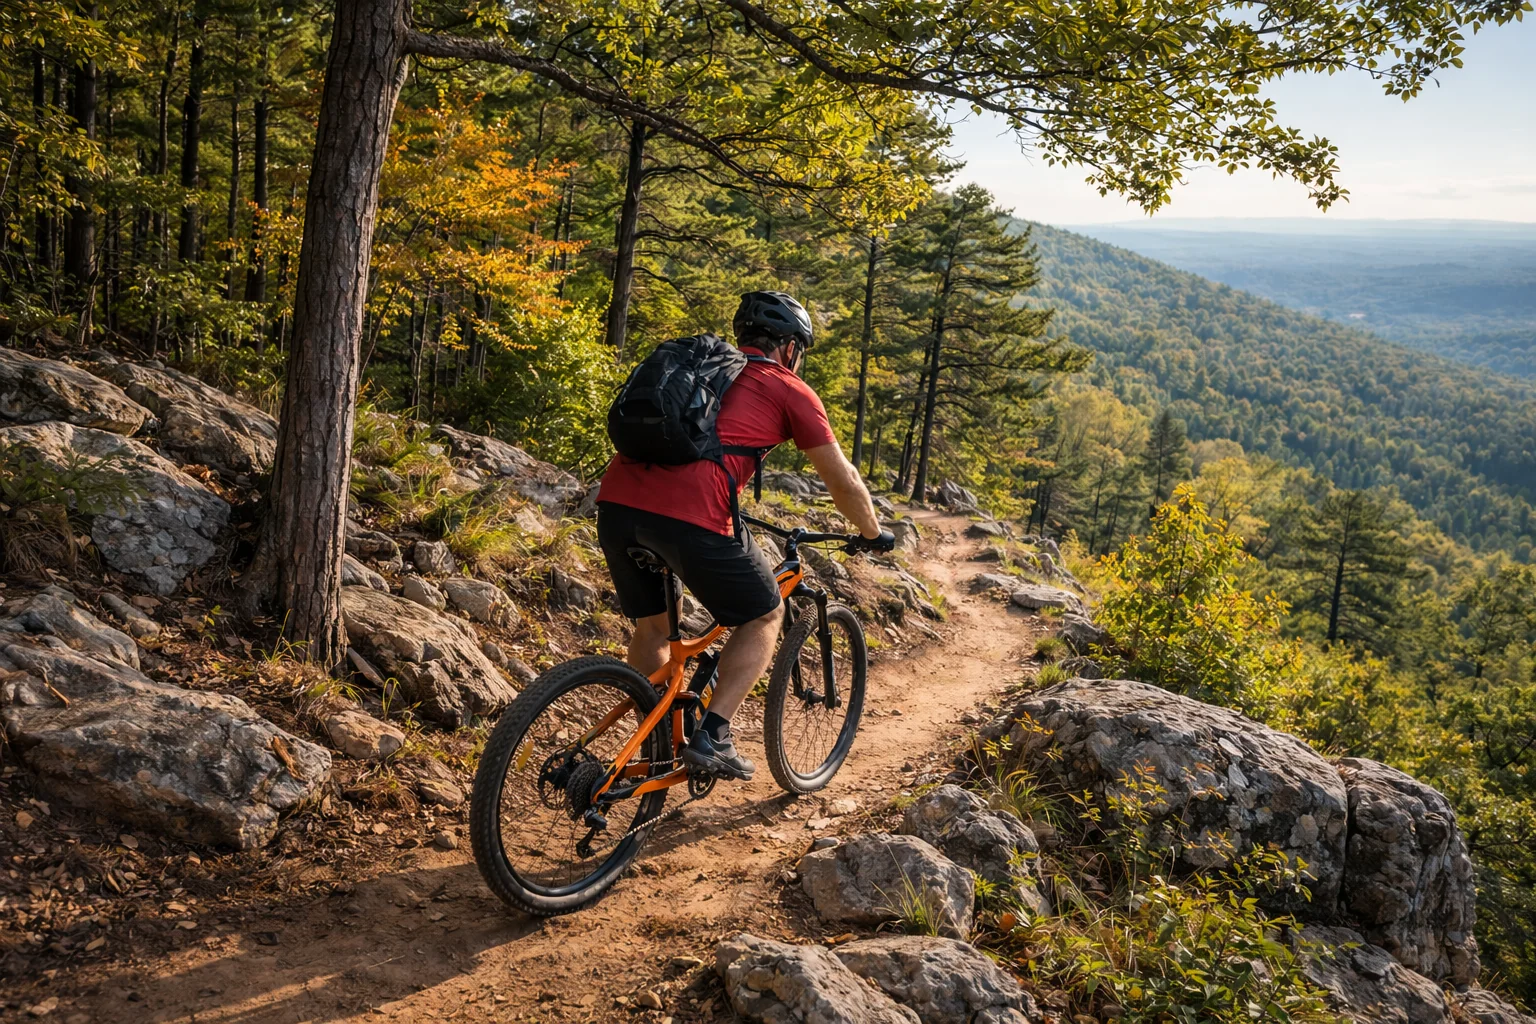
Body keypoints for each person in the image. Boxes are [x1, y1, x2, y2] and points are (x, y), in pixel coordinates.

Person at [595, 291, 895, 780]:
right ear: (791, 347)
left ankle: (653, 737)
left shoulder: (705, 371)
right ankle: (713, 736)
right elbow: (843, 480)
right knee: (764, 612)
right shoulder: (787, 387)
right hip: (693, 512)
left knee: (652, 629)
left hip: (617, 504)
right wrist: (873, 533)